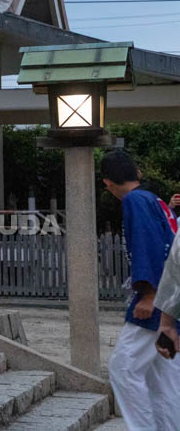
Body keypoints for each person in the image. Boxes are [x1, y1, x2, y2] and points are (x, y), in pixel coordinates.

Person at [100, 150, 180, 429]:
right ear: (139, 174)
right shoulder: (154, 199)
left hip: (159, 298)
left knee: (123, 368)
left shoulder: (135, 200)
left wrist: (149, 294)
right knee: (162, 375)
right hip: (172, 295)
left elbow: (150, 246)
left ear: (107, 183)